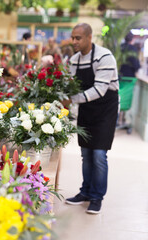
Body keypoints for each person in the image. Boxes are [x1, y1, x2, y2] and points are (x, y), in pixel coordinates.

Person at [61, 23, 119, 214]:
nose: (74, 41)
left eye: (78, 38)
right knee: (86, 154)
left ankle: (96, 197)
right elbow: (70, 86)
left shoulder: (104, 56)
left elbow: (100, 90)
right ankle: (85, 192)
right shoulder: (74, 60)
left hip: (105, 110)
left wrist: (72, 100)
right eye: (73, 37)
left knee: (99, 155)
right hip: (87, 110)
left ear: (89, 37)